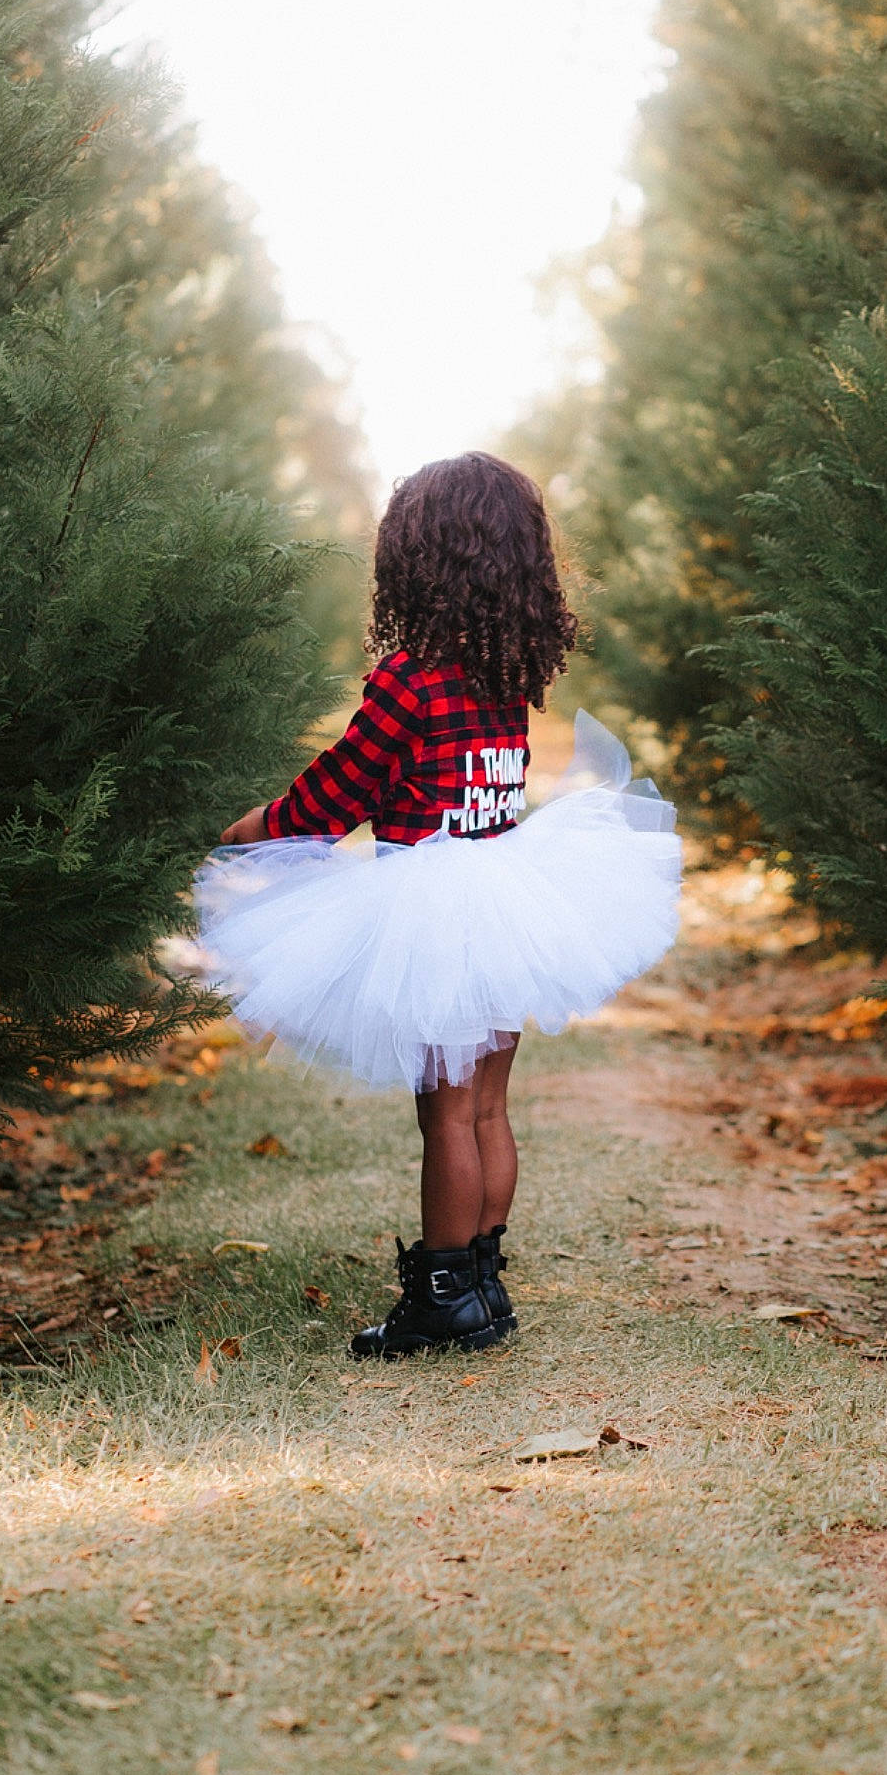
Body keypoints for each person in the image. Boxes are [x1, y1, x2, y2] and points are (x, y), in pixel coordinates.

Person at [197, 451, 681, 1360]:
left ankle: (443, 1299)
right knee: (488, 1108)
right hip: (502, 900)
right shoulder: (504, 678)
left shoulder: (409, 680)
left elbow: (332, 798)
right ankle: (483, 1284)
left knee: (445, 1116)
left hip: (434, 917)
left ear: (413, 566)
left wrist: (250, 827)